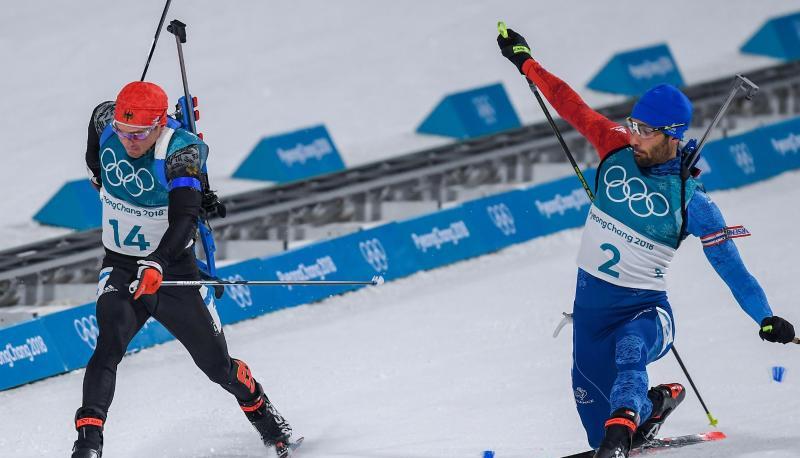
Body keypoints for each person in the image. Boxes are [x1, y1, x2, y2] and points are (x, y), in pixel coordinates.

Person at [498, 29, 796, 458]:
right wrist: (526, 62)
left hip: (645, 313)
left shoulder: (692, 202)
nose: (634, 136)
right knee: (597, 429)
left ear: (673, 135)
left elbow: (733, 269)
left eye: (645, 131)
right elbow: (570, 104)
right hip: (590, 316)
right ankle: (655, 405)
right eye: (634, 125)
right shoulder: (616, 146)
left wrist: (765, 317)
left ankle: (623, 428)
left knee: (629, 357)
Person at [73, 81, 294, 458]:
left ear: (160, 123)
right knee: (108, 345)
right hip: (122, 266)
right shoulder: (108, 122)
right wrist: (98, 172)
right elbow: (99, 121)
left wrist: (158, 262)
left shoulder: (180, 151)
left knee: (217, 367)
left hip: (173, 269)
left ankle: (266, 417)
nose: (129, 141)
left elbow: (184, 219)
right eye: (124, 132)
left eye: (139, 134)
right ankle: (88, 445)